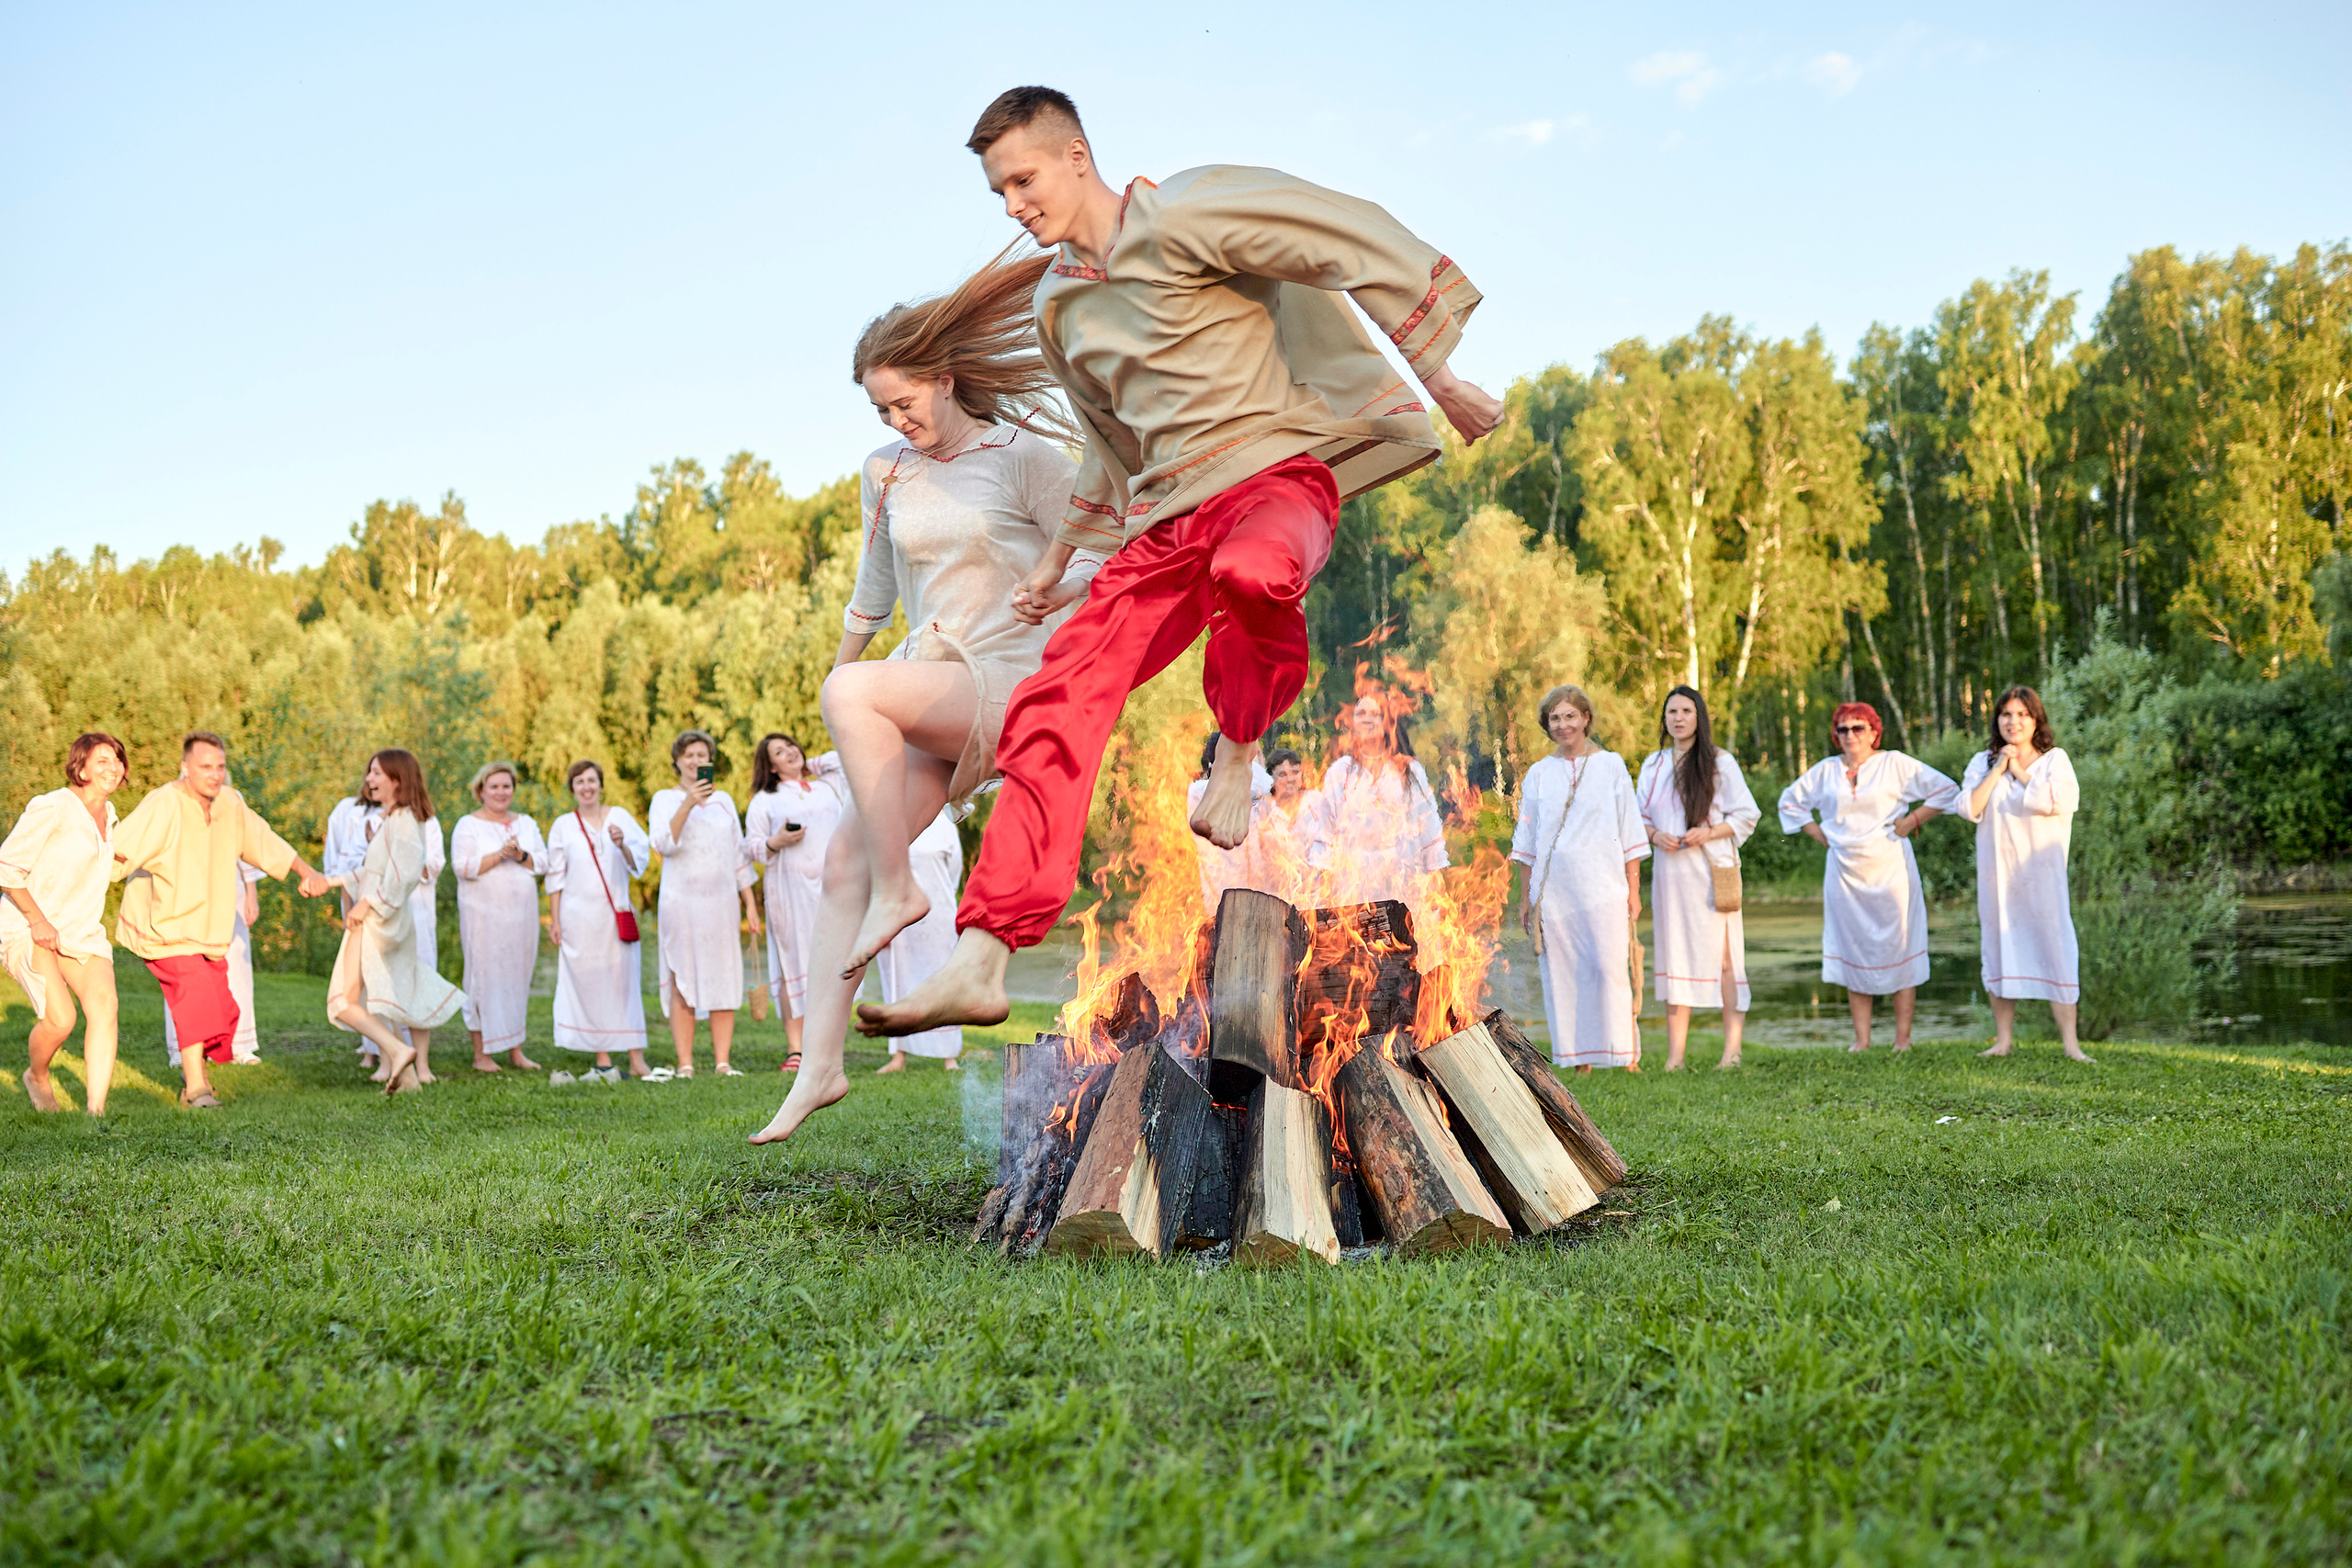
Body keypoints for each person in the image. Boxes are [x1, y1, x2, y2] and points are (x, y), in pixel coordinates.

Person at [859, 85, 1505, 1041]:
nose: (1013, 205)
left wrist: (1439, 377)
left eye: (1023, 180)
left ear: (1076, 156)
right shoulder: (1059, 307)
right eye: (999, 192)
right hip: (1166, 521)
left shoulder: (1189, 212)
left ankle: (1238, 752)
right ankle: (983, 953)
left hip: (1275, 482)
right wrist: (1058, 562)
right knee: (1055, 693)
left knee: (1253, 573)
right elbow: (1107, 447)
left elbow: (1338, 235)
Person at [748, 251, 1097, 1144]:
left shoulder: (1024, 458)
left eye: (904, 402)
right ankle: (820, 1068)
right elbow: (870, 594)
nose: (897, 421)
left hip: (1011, 681)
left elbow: (1102, 552)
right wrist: (837, 694)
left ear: (944, 378)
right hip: (929, 679)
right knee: (840, 864)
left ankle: (900, 892)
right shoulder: (885, 471)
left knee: (854, 700)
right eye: (881, 410)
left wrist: (1055, 586)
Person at [110, 730, 332, 1108]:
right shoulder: (164, 802)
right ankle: (196, 1087)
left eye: (220, 767)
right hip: (164, 924)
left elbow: (265, 841)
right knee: (194, 996)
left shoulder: (230, 803)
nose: (214, 774)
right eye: (205, 767)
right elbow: (117, 850)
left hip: (208, 928)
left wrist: (306, 871)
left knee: (222, 1007)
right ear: (186, 768)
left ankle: (196, 1074)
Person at [1778, 702, 1960, 1053]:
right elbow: (1790, 802)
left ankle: (1902, 1040)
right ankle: (1862, 1041)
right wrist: (1821, 835)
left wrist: (1912, 820)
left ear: (1874, 732)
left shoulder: (1894, 764)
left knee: (1900, 945)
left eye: (1858, 728)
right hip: (1844, 872)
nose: (1850, 735)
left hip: (1890, 866)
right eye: (1843, 729)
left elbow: (1947, 790)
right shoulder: (1825, 771)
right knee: (1854, 948)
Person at [1510, 686, 1648, 1073]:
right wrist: (1526, 898)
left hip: (1604, 887)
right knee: (1563, 973)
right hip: (1554, 893)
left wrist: (1634, 891)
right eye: (1555, 718)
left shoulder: (1611, 766)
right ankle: (1577, 1058)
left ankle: (1625, 1055)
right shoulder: (1539, 774)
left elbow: (1630, 830)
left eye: (1570, 715)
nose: (1563, 724)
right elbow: (1526, 841)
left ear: (1586, 718)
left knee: (1609, 967)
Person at [1961, 686, 2090, 1063]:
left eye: (2022, 715)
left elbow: (2059, 801)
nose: (2013, 722)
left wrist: (2017, 770)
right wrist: (1998, 769)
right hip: (1998, 881)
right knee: (1999, 950)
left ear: (2036, 721)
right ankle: (2003, 1040)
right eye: (2006, 714)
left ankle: (2071, 1045)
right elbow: (1968, 807)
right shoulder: (1982, 762)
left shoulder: (2054, 761)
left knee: (2056, 950)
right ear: (1997, 720)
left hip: (2043, 880)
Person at [1, 732, 129, 1114]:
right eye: (102, 760)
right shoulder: (53, 806)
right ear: (82, 768)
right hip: (29, 925)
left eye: (117, 760)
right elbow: (6, 866)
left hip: (80, 931)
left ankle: (96, 1113)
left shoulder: (110, 817)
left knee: (105, 1005)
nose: (113, 767)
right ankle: (37, 1076)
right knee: (61, 1020)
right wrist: (37, 920)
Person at [1636, 686, 1760, 1071]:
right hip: (1671, 876)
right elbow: (1637, 817)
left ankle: (1732, 1052)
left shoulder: (1720, 762)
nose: (1678, 718)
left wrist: (1707, 832)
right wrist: (1655, 835)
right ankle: (1675, 1058)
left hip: (1711, 872)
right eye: (1672, 711)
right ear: (1664, 718)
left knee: (1725, 959)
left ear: (1699, 716)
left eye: (1686, 711)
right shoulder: (1654, 764)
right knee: (1675, 956)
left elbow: (1747, 814)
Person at [328, 748, 464, 1092]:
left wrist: (366, 904)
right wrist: (329, 882)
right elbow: (373, 871)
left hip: (378, 920)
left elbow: (405, 875)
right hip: (377, 919)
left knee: (343, 1000)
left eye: (376, 773)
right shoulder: (393, 819)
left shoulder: (403, 820)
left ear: (397, 779)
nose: (369, 779)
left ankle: (398, 1051)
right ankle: (406, 1076)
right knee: (377, 995)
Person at [650, 729, 761, 1078]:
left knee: (722, 975)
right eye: (689, 755)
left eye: (702, 755)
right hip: (680, 903)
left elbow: (738, 855)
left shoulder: (724, 801)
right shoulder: (664, 799)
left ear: (710, 761)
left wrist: (750, 904)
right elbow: (663, 844)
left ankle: (722, 1062)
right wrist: (688, 803)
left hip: (721, 904)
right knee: (682, 975)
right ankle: (685, 1063)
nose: (695, 761)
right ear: (677, 761)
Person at [742, 731, 848, 1069]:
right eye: (779, 752)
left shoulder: (827, 786)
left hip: (833, 888)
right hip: (789, 892)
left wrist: (811, 764)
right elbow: (750, 847)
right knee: (793, 963)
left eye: (790, 746)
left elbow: (847, 759)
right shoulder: (766, 800)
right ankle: (796, 1049)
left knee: (834, 964)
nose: (789, 752)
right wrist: (776, 841)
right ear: (771, 767)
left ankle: (828, 1048)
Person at [1309, 692, 1449, 938]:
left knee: (1407, 951)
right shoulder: (1339, 772)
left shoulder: (1409, 769)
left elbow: (1429, 827)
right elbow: (1326, 834)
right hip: (1353, 886)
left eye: (1375, 714)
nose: (1367, 719)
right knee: (1360, 955)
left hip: (1403, 881)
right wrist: (1324, 890)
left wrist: (1436, 879)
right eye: (1361, 713)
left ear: (1388, 723)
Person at [544, 760, 650, 1079]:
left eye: (591, 780)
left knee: (624, 983)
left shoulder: (620, 816)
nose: (587, 787)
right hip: (577, 916)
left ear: (601, 785)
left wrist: (621, 844)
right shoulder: (563, 825)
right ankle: (602, 1056)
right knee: (590, 983)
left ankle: (636, 1058)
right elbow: (555, 876)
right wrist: (555, 919)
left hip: (615, 913)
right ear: (572, 789)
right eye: (579, 782)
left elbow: (639, 863)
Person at [451, 761, 546, 1073]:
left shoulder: (527, 823)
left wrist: (519, 855)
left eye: (506, 786)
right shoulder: (468, 824)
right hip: (483, 917)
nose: (501, 792)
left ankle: (516, 1050)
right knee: (482, 978)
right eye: (494, 786)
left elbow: (543, 863)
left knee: (516, 978)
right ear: (481, 791)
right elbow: (462, 867)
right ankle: (482, 1055)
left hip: (521, 917)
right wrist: (499, 856)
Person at [874, 807, 968, 1074]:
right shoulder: (895, 824)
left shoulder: (946, 825)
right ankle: (898, 1055)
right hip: (901, 915)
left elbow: (954, 873)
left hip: (939, 914)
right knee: (900, 980)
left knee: (943, 979)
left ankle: (949, 1054)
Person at [164, 860, 262, 1068]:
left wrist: (251, 893)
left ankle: (240, 1045)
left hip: (228, 884)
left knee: (237, 965)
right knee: (180, 962)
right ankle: (181, 1049)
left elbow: (246, 847)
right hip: (183, 883)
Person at [1187, 730, 1272, 916]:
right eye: (1255, 754)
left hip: (1258, 885)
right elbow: (1260, 784)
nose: (1258, 758)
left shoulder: (1261, 797)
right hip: (1221, 885)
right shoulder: (1198, 791)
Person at [1255, 746, 1323, 909]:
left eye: (1295, 772)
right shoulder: (1263, 810)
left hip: (1316, 896)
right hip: (1277, 897)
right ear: (1271, 779)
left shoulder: (1317, 802)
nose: (1290, 779)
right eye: (1282, 774)